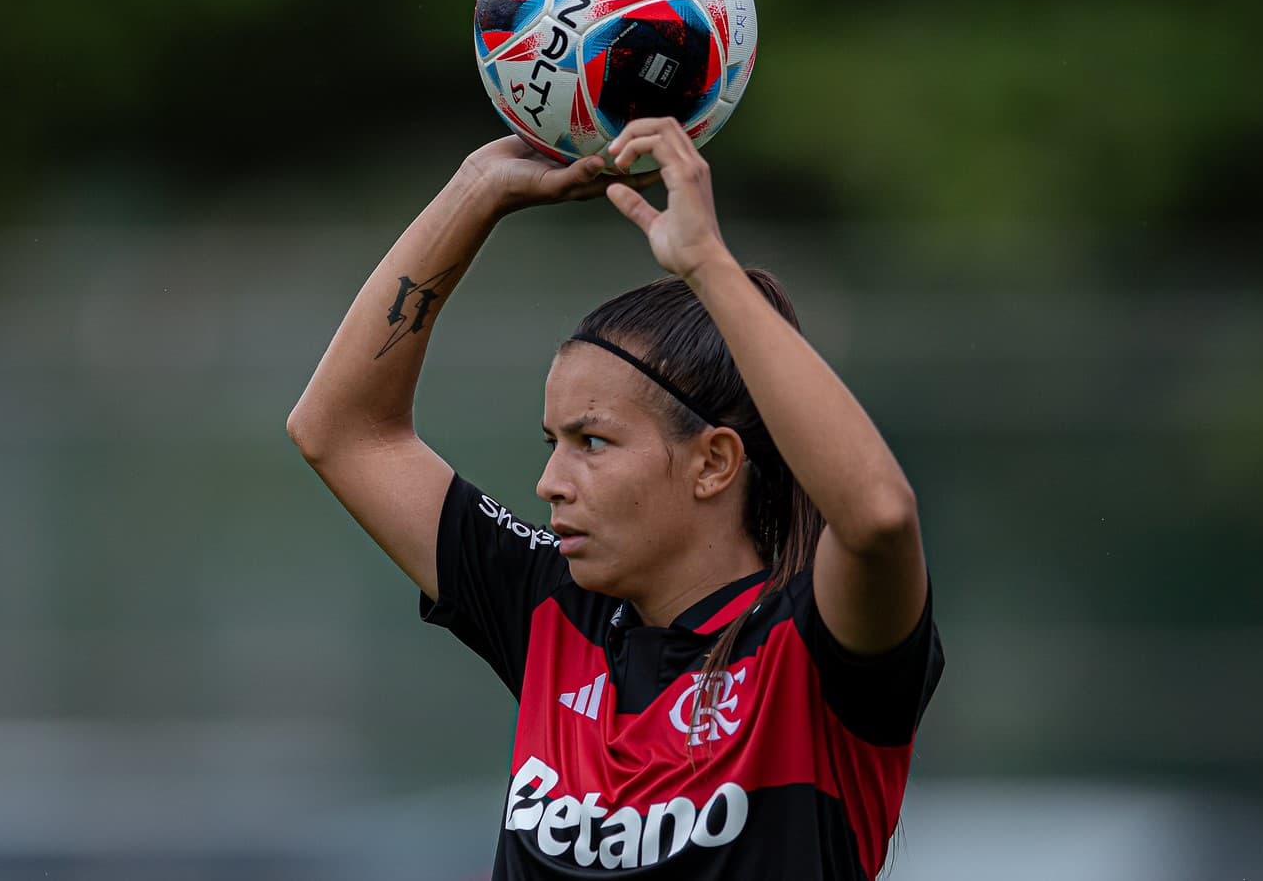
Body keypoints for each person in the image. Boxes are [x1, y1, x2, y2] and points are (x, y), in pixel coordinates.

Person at [287, 118, 944, 879]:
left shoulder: (810, 649)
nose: (550, 481)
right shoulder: (554, 609)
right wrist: (476, 191)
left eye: (591, 442)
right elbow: (339, 430)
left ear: (714, 463)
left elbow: (879, 516)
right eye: (551, 442)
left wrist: (707, 267)